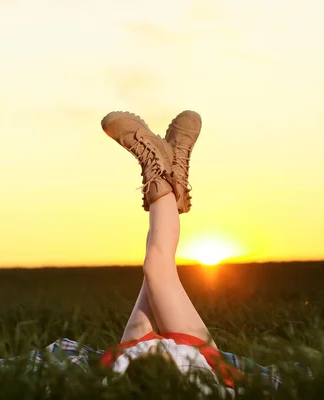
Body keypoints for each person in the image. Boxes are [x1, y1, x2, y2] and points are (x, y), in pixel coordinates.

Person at [98, 110, 245, 394]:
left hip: (128, 374)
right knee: (156, 268)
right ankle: (163, 178)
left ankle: (166, 175)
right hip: (197, 372)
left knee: (154, 275)